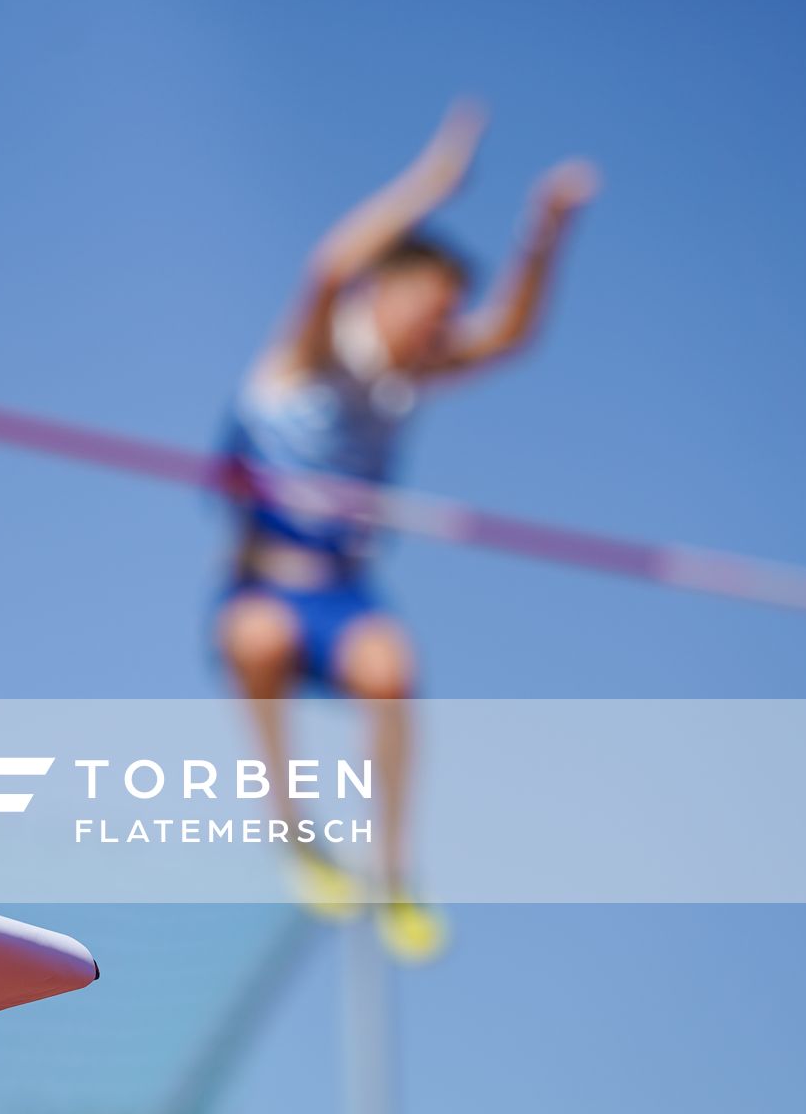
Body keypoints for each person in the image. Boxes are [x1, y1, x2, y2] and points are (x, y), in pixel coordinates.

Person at [214, 104, 597, 962]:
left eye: (445, 314)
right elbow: (327, 268)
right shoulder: (312, 350)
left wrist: (545, 231)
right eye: (431, 307)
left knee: (390, 670)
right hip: (267, 577)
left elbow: (508, 335)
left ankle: (392, 872)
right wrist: (430, 183)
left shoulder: (410, 372)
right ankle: (298, 840)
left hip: (344, 588)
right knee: (255, 638)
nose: (440, 329)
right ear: (385, 290)